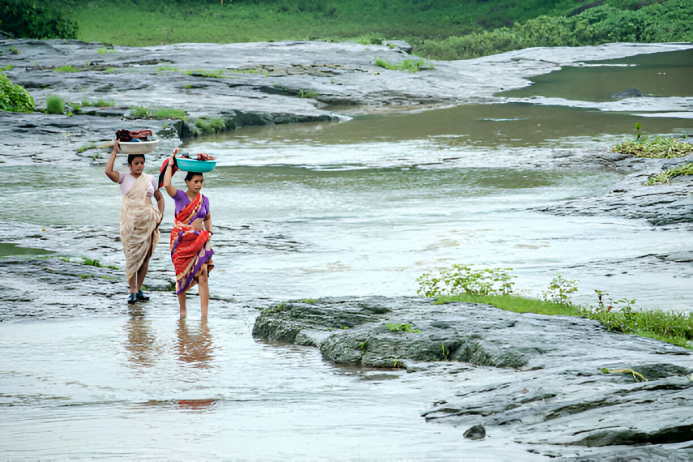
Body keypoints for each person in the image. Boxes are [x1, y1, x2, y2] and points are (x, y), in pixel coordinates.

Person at [105, 139, 164, 304]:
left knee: (145, 258)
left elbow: (160, 198)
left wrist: (160, 215)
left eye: (142, 163)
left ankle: (138, 289)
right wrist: (114, 151)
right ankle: (132, 291)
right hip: (131, 224)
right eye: (137, 163)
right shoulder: (124, 178)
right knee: (132, 258)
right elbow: (108, 171)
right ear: (130, 165)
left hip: (150, 223)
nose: (140, 166)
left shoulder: (150, 179)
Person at [162, 151, 214, 318]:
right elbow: (167, 185)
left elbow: (207, 217)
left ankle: (204, 315)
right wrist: (170, 165)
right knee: (182, 275)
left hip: (200, 240)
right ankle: (183, 311)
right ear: (188, 182)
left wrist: (209, 229)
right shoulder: (180, 197)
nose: (199, 185)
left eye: (201, 181)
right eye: (196, 182)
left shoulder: (204, 200)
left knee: (203, 273)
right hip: (182, 240)